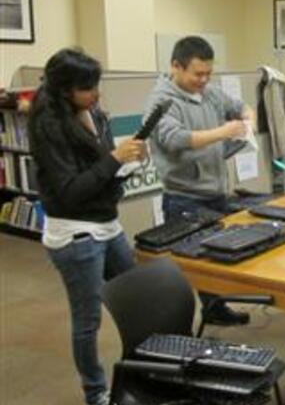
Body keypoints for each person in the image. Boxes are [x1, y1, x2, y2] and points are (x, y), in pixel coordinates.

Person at [28, 48, 147, 405]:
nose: (96, 94)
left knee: (137, 297)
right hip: (76, 234)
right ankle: (95, 392)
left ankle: (148, 371)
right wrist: (113, 160)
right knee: (87, 320)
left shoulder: (91, 111)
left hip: (106, 222)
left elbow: (101, 167)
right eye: (87, 88)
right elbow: (70, 192)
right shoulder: (48, 126)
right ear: (65, 89)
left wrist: (126, 162)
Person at [145, 36, 256, 326]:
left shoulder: (210, 92)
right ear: (176, 67)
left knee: (216, 258)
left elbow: (240, 106)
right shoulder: (161, 101)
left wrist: (248, 120)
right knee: (194, 264)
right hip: (184, 196)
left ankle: (215, 309)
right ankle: (190, 321)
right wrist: (223, 132)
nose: (204, 80)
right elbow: (175, 139)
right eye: (197, 74)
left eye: (208, 73)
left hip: (215, 190)